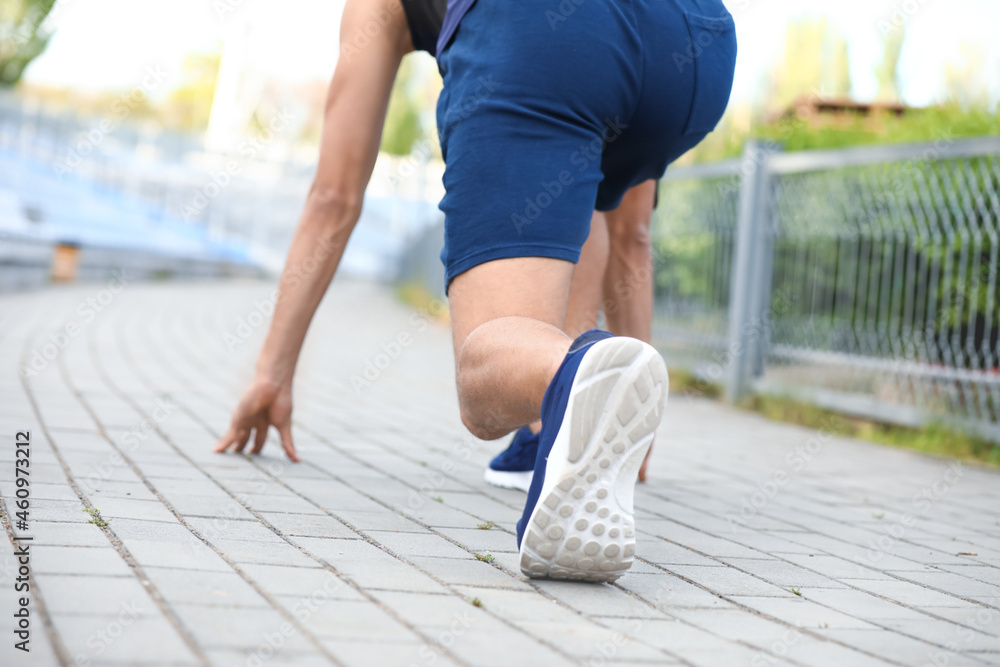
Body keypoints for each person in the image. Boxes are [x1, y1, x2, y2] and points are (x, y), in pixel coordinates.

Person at [214, 0, 737, 582]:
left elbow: (335, 197)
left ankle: (571, 380)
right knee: (577, 186)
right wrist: (639, 435)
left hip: (547, 32)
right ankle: (562, 426)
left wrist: (271, 372)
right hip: (697, 50)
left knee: (487, 369)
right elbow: (632, 236)